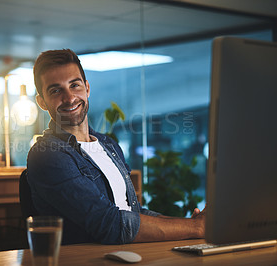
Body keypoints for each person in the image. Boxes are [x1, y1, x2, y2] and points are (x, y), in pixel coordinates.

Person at [27, 49, 205, 245]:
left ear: (87, 88)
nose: (69, 98)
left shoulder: (108, 144)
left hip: (129, 254)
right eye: (55, 90)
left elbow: (133, 212)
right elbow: (109, 224)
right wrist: (196, 228)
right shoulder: (47, 155)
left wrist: (191, 224)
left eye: (74, 85)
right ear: (42, 102)